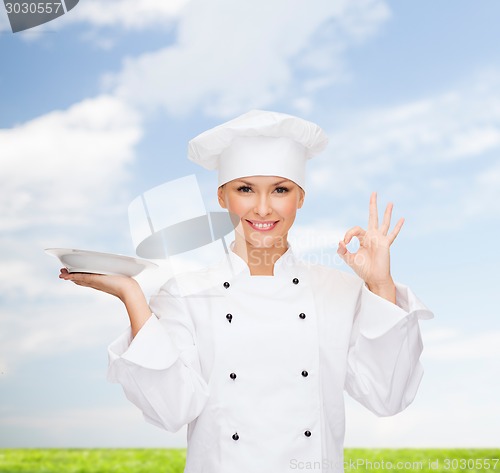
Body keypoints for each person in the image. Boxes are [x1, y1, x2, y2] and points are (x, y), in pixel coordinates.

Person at [59, 110, 433, 473]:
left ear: (300, 198)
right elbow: (172, 409)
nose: (263, 207)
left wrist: (380, 284)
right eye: (245, 189)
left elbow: (387, 397)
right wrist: (131, 295)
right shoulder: (187, 294)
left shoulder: (339, 291)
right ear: (222, 197)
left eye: (281, 190)